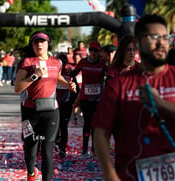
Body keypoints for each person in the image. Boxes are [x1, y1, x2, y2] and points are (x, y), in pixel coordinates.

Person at [92, 14, 175, 180]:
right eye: (153, 37)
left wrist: (159, 103)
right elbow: (101, 133)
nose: (161, 43)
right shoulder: (118, 85)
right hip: (131, 174)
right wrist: (110, 175)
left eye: (165, 37)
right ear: (137, 43)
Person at [14, 31, 76, 181]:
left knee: (47, 150)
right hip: (30, 112)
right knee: (31, 150)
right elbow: (17, 87)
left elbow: (57, 77)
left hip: (51, 111)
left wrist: (68, 84)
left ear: (48, 44)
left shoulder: (56, 62)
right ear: (32, 45)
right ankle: (31, 174)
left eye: (42, 41)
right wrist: (35, 76)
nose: (39, 44)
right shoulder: (27, 62)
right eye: (36, 42)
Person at [70, 40, 107, 157]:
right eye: (91, 50)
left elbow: (112, 76)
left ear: (99, 52)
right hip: (85, 98)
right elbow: (72, 74)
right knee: (87, 123)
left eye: (96, 50)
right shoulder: (83, 62)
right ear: (88, 51)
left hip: (98, 99)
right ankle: (85, 149)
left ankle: (95, 149)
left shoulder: (103, 63)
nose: (93, 53)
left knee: (96, 125)